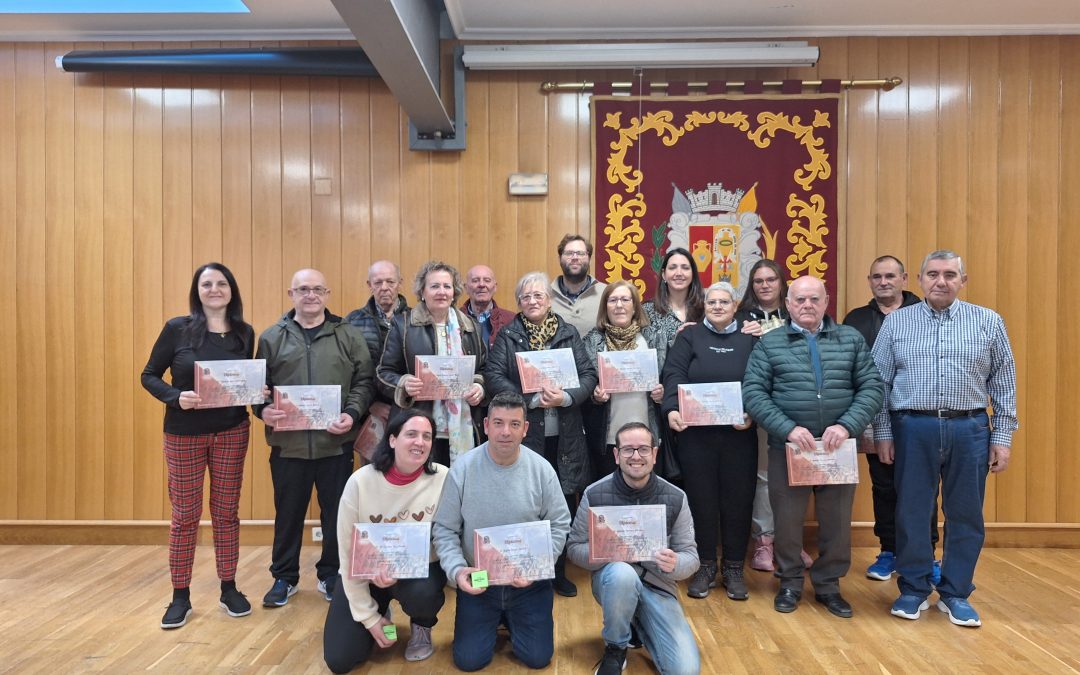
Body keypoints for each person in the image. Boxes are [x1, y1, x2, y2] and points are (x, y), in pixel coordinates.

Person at [873, 250, 1017, 627]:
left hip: (969, 428)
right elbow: (878, 384)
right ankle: (914, 589)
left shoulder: (988, 322)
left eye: (950, 274)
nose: (941, 281)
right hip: (912, 428)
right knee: (912, 512)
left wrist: (1001, 437)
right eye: (933, 274)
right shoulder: (897, 324)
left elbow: (1004, 384)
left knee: (966, 514)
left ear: (963, 280)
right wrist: (883, 433)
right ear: (919, 279)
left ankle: (955, 592)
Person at [742, 275, 883, 618]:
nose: (807, 305)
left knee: (836, 522)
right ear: (788, 304)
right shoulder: (770, 344)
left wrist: (847, 425)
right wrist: (787, 428)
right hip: (789, 448)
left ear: (826, 301)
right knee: (788, 522)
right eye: (800, 300)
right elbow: (753, 394)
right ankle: (789, 582)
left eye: (814, 299)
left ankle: (829, 585)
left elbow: (872, 388)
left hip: (838, 450)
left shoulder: (850, 339)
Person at [141, 262, 262, 629]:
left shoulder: (245, 332)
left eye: (221, 283)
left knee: (226, 512)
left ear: (231, 290)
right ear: (197, 291)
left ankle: (229, 587)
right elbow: (148, 376)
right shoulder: (177, 328)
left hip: (231, 431)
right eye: (206, 284)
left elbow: (245, 384)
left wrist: (260, 393)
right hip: (183, 434)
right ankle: (181, 595)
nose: (214, 289)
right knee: (185, 516)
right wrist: (177, 397)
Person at [256, 268, 376, 607]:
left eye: (318, 289)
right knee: (288, 512)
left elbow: (364, 382)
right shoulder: (271, 337)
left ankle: (330, 573)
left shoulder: (347, 334)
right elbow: (257, 388)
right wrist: (262, 410)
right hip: (288, 446)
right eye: (303, 289)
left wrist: (351, 414)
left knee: (336, 513)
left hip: (334, 444)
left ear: (327, 294)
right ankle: (284, 576)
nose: (311, 295)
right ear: (290, 294)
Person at [432, 392, 572, 672]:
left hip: (528, 581)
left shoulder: (542, 470)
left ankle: (509, 617)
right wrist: (458, 571)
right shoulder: (462, 469)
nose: (505, 432)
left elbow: (559, 523)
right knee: (469, 661)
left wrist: (538, 567)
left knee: (537, 658)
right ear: (485, 426)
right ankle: (498, 616)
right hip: (480, 581)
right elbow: (445, 530)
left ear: (525, 428)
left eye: (514, 424)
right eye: (498, 423)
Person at [485, 271, 598, 598]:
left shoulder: (567, 332)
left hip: (564, 436)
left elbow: (588, 374)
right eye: (526, 297)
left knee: (560, 504)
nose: (533, 301)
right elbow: (494, 376)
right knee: (525, 503)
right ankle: (526, 568)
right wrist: (528, 400)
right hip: (526, 435)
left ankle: (556, 571)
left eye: (539, 296)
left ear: (549, 300)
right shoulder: (508, 335)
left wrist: (566, 397)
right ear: (518, 302)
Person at [566, 422, 701, 675]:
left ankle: (638, 624)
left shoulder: (675, 497)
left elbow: (691, 557)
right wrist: (602, 553)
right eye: (627, 450)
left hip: (659, 587)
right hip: (613, 583)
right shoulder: (594, 494)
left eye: (642, 449)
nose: (636, 456)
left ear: (654, 454)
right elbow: (574, 549)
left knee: (685, 670)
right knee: (621, 573)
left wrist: (675, 564)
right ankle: (616, 648)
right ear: (616, 455)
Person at [323, 409, 449, 671]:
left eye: (427, 436)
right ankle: (380, 612)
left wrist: (401, 566)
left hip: (418, 573)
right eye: (411, 434)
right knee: (340, 660)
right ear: (392, 439)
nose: (420, 442)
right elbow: (347, 553)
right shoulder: (360, 482)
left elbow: (447, 539)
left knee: (424, 593)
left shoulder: (443, 478)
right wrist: (368, 618)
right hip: (366, 576)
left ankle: (421, 626)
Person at [842, 255, 939, 583]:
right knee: (884, 485)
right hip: (874, 414)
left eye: (890, 276)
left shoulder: (924, 314)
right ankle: (889, 550)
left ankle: (926, 552)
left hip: (918, 414)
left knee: (922, 488)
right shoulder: (855, 320)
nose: (883, 282)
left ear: (904, 278)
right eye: (877, 277)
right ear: (869, 280)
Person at [662, 281, 757, 600]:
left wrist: (753, 413)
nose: (717, 306)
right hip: (696, 436)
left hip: (739, 435)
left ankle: (732, 567)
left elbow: (763, 379)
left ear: (735, 305)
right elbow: (673, 374)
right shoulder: (689, 336)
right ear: (704, 304)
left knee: (739, 501)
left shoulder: (750, 336)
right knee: (700, 501)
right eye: (712, 301)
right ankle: (703, 566)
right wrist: (673, 408)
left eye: (724, 302)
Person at [376, 261, 486, 467]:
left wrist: (479, 386)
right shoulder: (404, 325)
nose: (441, 292)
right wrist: (404, 384)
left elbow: (483, 368)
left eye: (447, 286)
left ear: (455, 292)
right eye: (434, 286)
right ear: (422, 291)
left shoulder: (470, 327)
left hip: (463, 429)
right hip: (417, 426)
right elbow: (383, 372)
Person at [735, 259, 791, 573]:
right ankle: (764, 540)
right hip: (757, 406)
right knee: (764, 477)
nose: (765, 285)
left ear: (782, 282)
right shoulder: (741, 318)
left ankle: (789, 541)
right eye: (758, 281)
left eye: (771, 279)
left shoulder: (797, 314)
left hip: (794, 406)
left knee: (794, 475)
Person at [582, 281, 668, 482]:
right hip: (607, 438)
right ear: (605, 307)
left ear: (635, 305)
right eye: (612, 300)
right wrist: (594, 395)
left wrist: (663, 393)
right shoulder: (592, 341)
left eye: (625, 299)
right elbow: (582, 385)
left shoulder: (654, 338)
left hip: (648, 436)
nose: (619, 305)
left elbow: (670, 379)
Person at [346, 260, 410, 368]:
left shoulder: (415, 319)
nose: (384, 288)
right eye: (378, 283)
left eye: (390, 282)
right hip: (367, 384)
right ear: (370, 285)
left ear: (400, 283)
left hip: (403, 384)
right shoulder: (352, 321)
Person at [642, 247, 705, 347]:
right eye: (672, 268)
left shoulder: (706, 309)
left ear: (693, 274)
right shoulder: (647, 311)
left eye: (685, 268)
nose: (679, 273)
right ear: (663, 274)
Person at [549, 234, 608, 339]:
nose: (575, 258)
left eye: (580, 253)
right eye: (569, 253)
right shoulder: (544, 296)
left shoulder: (607, 294)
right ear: (559, 259)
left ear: (589, 259)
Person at [461, 264, 516, 347]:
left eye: (487, 280)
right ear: (466, 288)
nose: (481, 285)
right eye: (475, 280)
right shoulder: (454, 319)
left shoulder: (512, 320)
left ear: (495, 287)